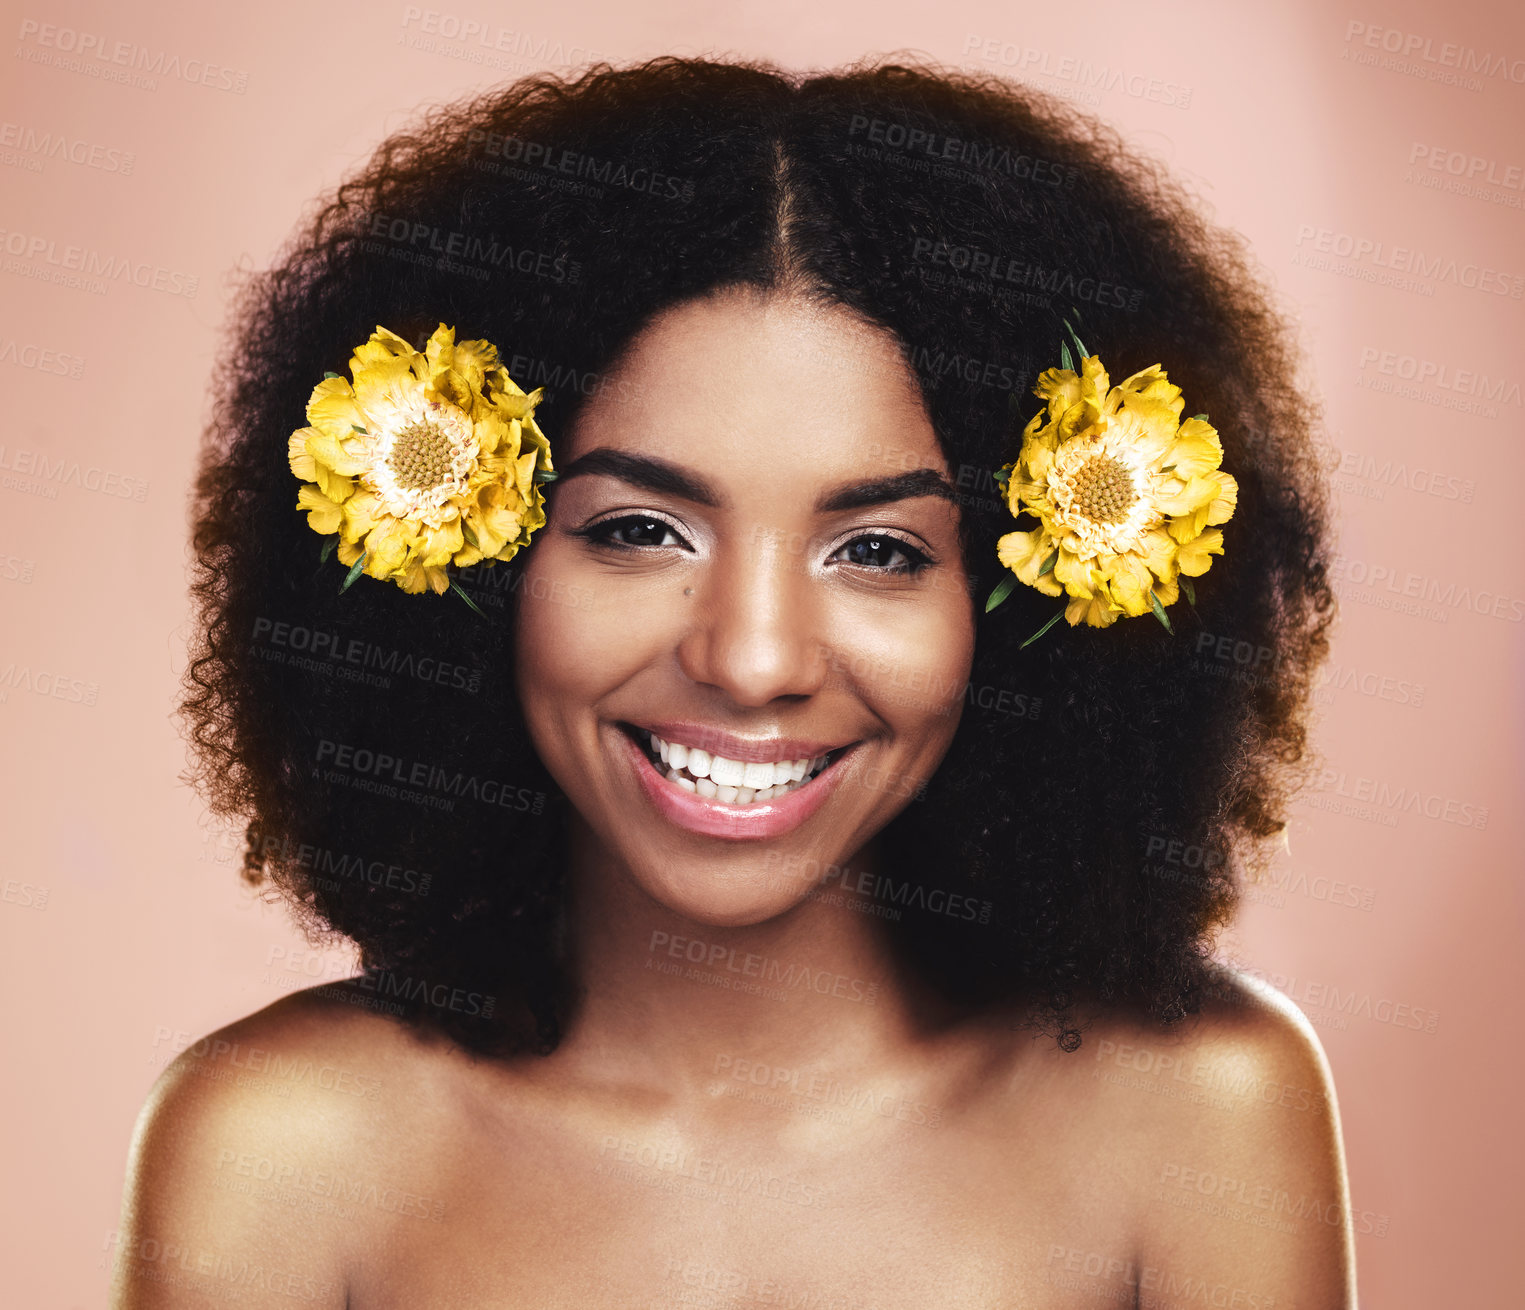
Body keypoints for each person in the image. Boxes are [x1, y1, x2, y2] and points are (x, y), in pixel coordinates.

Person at [110, 55, 1354, 1307]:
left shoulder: (1201, 1114)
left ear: (1048, 598)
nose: (751, 658)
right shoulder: (280, 1151)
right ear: (458, 557)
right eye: (641, 529)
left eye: (876, 550)